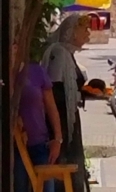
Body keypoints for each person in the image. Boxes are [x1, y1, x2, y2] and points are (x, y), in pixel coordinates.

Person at [41, 14, 91, 192]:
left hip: (69, 120)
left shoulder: (67, 54)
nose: (88, 33)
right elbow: (53, 92)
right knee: (67, 166)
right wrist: (58, 135)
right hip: (61, 122)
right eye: (83, 29)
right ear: (72, 32)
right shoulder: (60, 54)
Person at [14, 59, 63, 192]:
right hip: (13, 147)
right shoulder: (5, 76)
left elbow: (51, 108)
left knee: (47, 188)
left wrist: (58, 139)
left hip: (40, 144)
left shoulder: (36, 71)